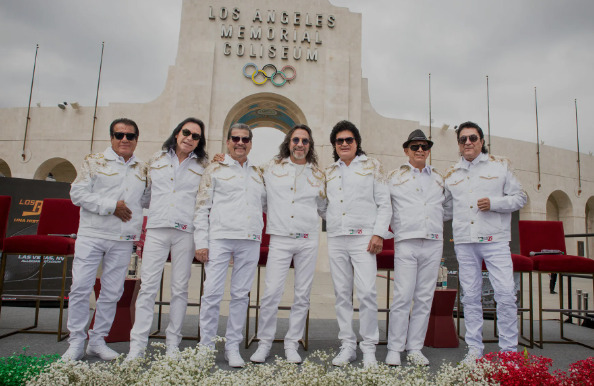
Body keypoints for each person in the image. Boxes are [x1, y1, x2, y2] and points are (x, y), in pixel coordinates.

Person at [63, 118, 149, 361]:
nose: (124, 140)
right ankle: (76, 342)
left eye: (129, 136)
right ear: (111, 137)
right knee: (80, 288)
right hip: (92, 233)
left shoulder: (143, 168)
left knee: (112, 292)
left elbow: (149, 198)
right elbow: (77, 193)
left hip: (123, 238)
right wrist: (111, 206)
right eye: (119, 135)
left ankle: (97, 340)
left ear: (136, 140)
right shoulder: (94, 161)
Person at [444, 121, 527, 364]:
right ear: (458, 145)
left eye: (472, 138)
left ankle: (509, 352)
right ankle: (474, 350)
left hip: (495, 240)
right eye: (463, 139)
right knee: (469, 296)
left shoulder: (500, 167)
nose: (467, 143)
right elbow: (445, 210)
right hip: (464, 241)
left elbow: (520, 197)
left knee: (505, 293)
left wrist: (495, 203)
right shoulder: (451, 175)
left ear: (481, 141)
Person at [126, 118, 208, 361]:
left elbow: (203, 201)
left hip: (186, 232)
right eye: (186, 132)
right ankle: (137, 346)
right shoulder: (155, 160)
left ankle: (173, 344)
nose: (189, 138)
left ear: (199, 142)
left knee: (180, 289)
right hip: (158, 229)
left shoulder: (204, 166)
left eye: (195, 136)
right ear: (176, 133)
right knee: (148, 287)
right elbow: (143, 195)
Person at [249, 124, 326, 364]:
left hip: (307, 240)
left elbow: (323, 208)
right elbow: (261, 197)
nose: (300, 145)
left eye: (304, 141)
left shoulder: (318, 175)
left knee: (302, 295)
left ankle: (292, 343)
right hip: (280, 239)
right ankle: (264, 343)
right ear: (288, 143)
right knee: (271, 292)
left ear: (309, 145)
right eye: (295, 140)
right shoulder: (270, 168)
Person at [194, 123, 266, 368]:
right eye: (235, 138)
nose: (240, 143)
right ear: (227, 142)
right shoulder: (214, 168)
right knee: (212, 294)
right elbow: (202, 206)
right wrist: (201, 242)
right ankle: (205, 347)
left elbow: (265, 204)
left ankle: (232, 347)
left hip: (249, 239)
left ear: (251, 143)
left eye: (245, 139)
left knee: (240, 296)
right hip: (220, 238)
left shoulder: (258, 173)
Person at [325, 120, 391, 368]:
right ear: (334, 144)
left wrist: (378, 234)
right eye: (339, 140)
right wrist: (331, 220)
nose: (344, 144)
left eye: (349, 140)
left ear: (356, 143)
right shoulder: (329, 172)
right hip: (336, 238)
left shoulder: (372, 166)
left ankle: (369, 348)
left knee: (367, 293)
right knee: (342, 294)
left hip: (365, 238)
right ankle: (347, 345)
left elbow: (384, 203)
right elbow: (324, 204)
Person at [386, 129, 445, 366]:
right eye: (415, 146)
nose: (420, 150)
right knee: (402, 295)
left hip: (433, 241)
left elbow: (446, 208)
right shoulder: (394, 177)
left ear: (429, 150)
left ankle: (415, 348)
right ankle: (394, 348)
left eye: (424, 146)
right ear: (406, 150)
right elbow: (384, 206)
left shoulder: (440, 178)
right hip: (406, 241)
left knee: (424, 297)